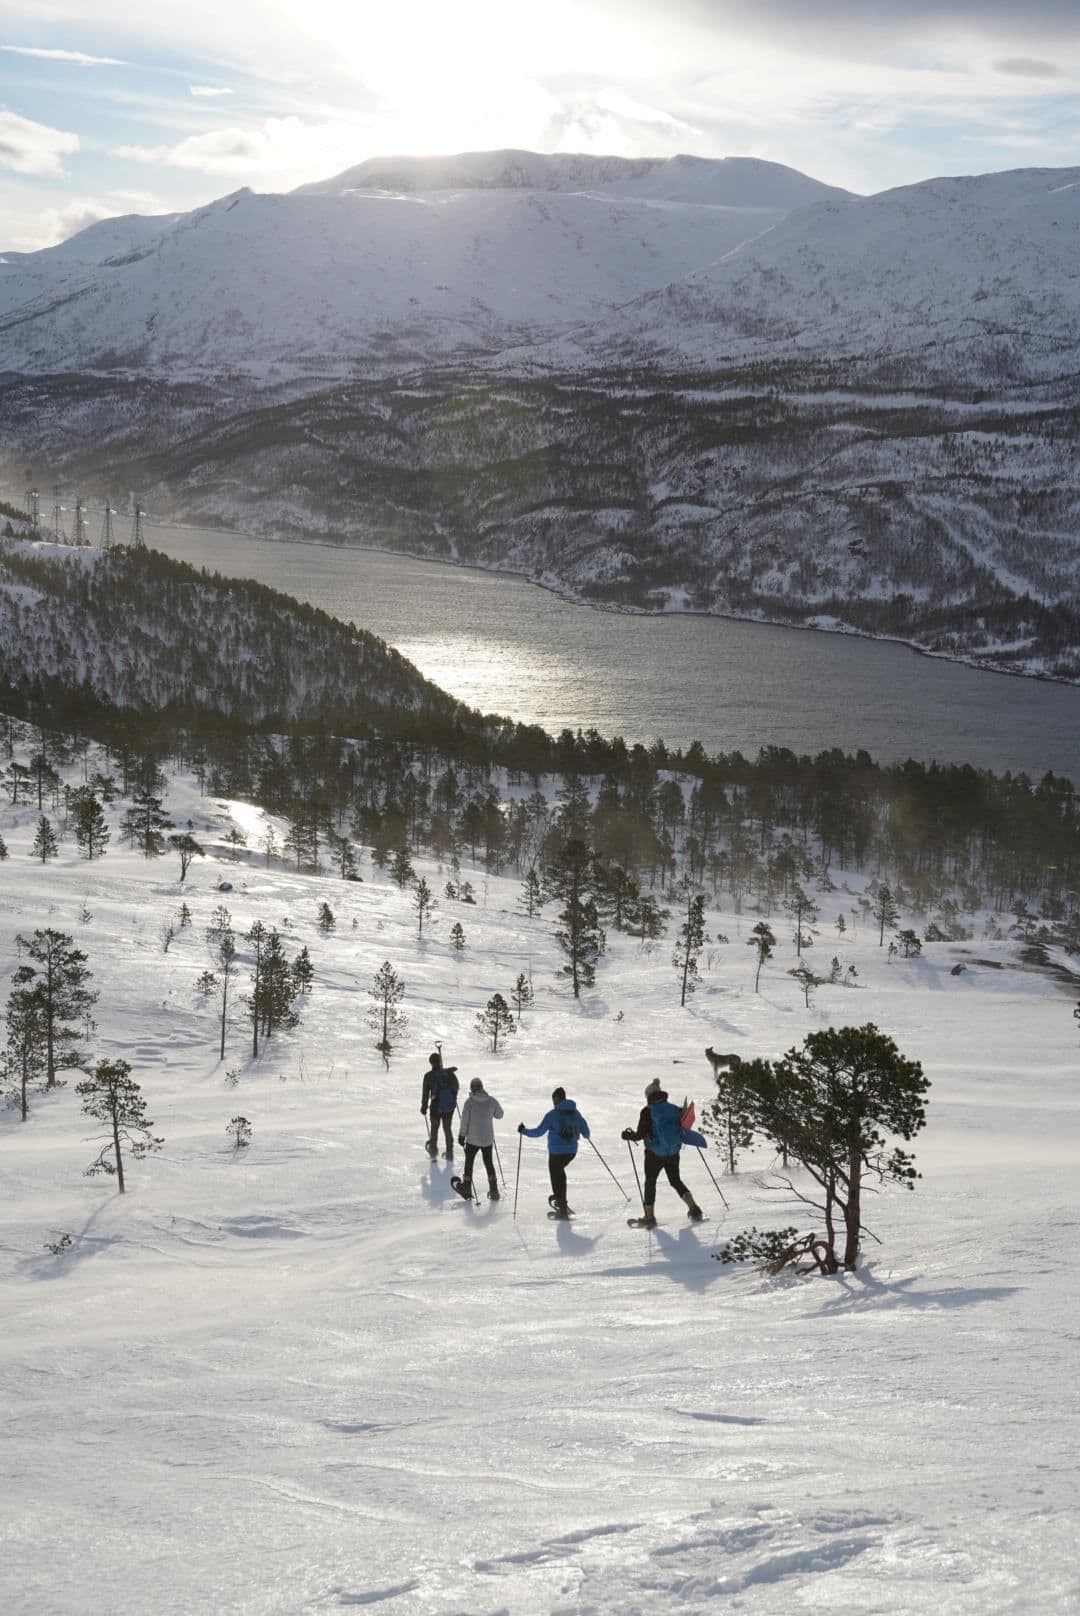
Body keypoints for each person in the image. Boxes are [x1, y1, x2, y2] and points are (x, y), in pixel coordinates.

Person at [622, 1080, 704, 1227]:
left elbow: (640, 1135)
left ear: (649, 1096)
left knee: (650, 1183)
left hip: (654, 1154)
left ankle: (649, 1217)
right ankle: (694, 1208)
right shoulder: (674, 1109)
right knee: (675, 1180)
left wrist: (627, 1136)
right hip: (673, 1152)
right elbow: (684, 1126)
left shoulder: (647, 1111)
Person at [518, 1086, 590, 1218]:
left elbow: (539, 1132)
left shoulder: (552, 1115)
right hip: (571, 1151)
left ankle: (561, 1205)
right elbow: (587, 1133)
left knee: (556, 1174)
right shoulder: (576, 1113)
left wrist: (524, 1131)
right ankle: (561, 1201)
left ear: (556, 1099)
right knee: (560, 1173)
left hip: (556, 1152)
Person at [458, 1077, 504, 1201]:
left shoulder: (469, 1102)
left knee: (469, 1162)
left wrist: (462, 1135)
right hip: (487, 1139)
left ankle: (467, 1186)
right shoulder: (491, 1101)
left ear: (472, 1088)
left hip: (472, 1139)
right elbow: (500, 1115)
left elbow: (464, 1121)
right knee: (489, 1163)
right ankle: (494, 1190)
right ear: (482, 1087)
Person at [421, 1051, 459, 1160]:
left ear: (431, 1063)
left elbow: (425, 1093)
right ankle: (450, 1153)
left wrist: (424, 1107)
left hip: (435, 1106)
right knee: (447, 1129)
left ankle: (433, 1152)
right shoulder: (449, 1074)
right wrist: (452, 1099)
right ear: (439, 1061)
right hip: (448, 1107)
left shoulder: (428, 1076)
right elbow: (455, 1087)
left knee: (434, 1129)